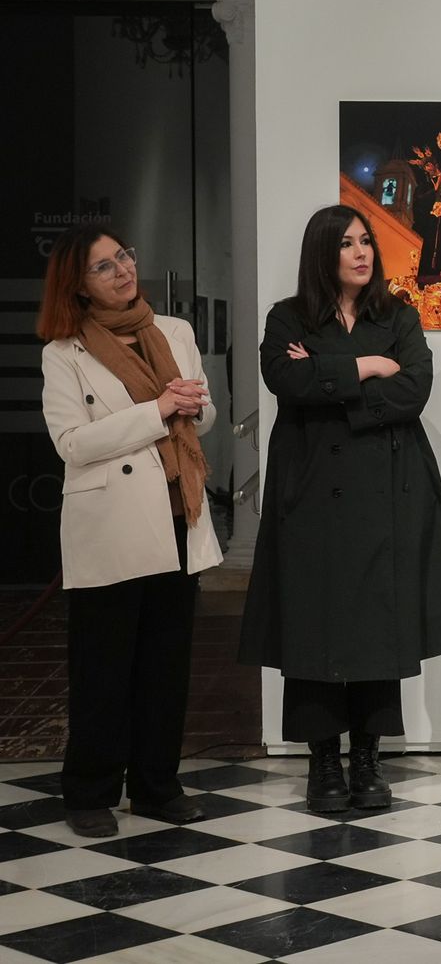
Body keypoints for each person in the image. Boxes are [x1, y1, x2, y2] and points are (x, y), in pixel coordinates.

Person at [239, 206, 441, 812]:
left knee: (376, 623)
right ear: (323, 252)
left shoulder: (397, 314)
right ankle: (322, 761)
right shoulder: (288, 316)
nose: (362, 252)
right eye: (346, 244)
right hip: (311, 490)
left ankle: (367, 755)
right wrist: (366, 367)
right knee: (312, 623)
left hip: (384, 488)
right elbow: (283, 382)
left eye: (366, 241)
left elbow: (414, 388)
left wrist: (325, 378)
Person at [38, 225, 223, 838]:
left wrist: (193, 405)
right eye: (103, 266)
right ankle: (89, 790)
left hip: (177, 512)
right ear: (78, 286)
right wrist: (160, 410)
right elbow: (72, 444)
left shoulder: (174, 332)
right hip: (112, 521)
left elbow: (204, 409)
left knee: (165, 665)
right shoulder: (63, 352)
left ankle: (155, 785)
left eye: (124, 256)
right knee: (104, 666)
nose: (122, 270)